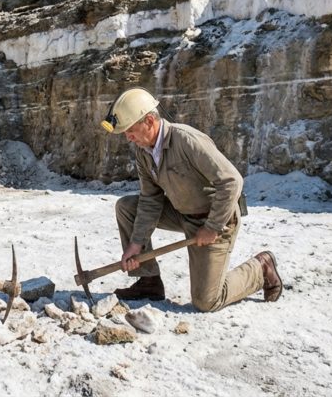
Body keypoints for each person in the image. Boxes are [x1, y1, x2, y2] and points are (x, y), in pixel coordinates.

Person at [101, 87, 283, 311]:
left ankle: (261, 268)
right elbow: (150, 200)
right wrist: (136, 244)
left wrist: (213, 226)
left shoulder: (187, 140)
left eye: (130, 130)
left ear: (149, 120)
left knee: (207, 301)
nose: (128, 138)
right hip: (182, 214)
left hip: (216, 219)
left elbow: (231, 181)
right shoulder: (143, 152)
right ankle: (149, 282)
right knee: (127, 207)